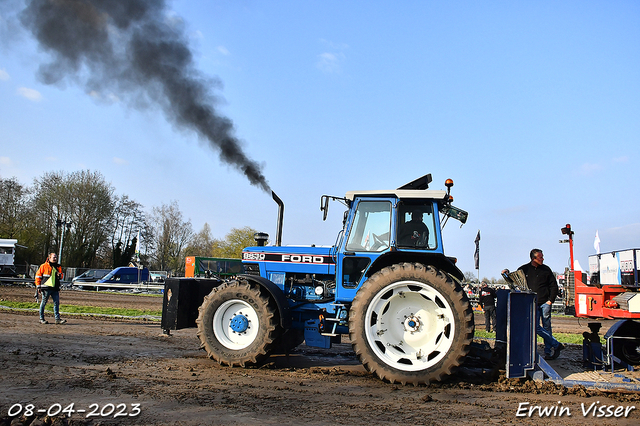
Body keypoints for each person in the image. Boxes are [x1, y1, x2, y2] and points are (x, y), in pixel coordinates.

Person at [503, 249, 564, 360]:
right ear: (533, 258)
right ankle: (554, 345)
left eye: (542, 256)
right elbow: (514, 278)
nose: (543, 259)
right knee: (534, 327)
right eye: (540, 257)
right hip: (532, 303)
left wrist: (550, 300)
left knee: (546, 327)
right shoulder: (524, 269)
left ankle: (548, 352)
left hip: (545, 303)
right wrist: (506, 271)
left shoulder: (546, 270)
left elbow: (553, 286)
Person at [35, 253, 67, 325]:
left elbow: (61, 276)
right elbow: (38, 276)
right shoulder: (44, 266)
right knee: (43, 303)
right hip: (46, 288)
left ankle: (57, 319)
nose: (55, 259)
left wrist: (59, 275)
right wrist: (38, 286)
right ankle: (41, 318)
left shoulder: (58, 266)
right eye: (54, 257)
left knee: (56, 303)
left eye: (56, 257)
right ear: (49, 258)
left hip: (55, 288)